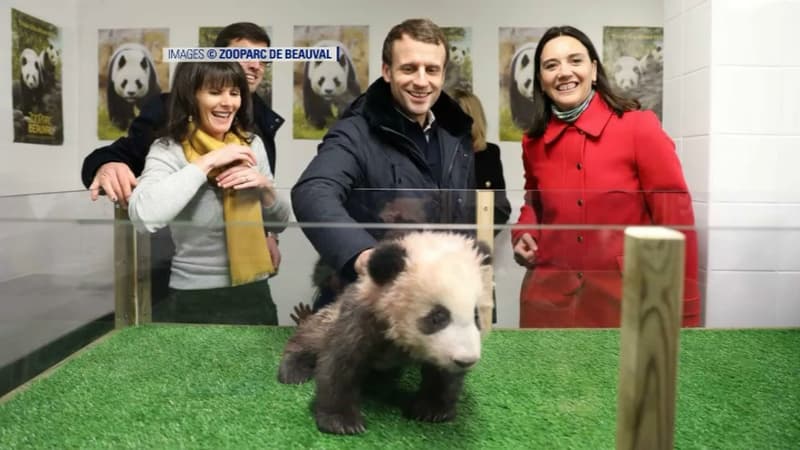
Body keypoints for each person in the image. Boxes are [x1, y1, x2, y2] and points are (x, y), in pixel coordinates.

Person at [81, 23, 284, 307]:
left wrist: (268, 232)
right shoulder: (168, 115)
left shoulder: (258, 123)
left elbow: (263, 191)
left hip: (251, 278)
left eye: (262, 60)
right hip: (177, 262)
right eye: (243, 56)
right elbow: (127, 153)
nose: (254, 66)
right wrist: (106, 164)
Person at [511, 25, 700, 328]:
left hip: (624, 303)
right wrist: (524, 231)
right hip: (546, 302)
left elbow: (676, 223)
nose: (564, 72)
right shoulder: (533, 141)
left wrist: (685, 311)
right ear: (540, 81)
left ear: (594, 70)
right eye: (551, 65)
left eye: (575, 60)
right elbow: (534, 201)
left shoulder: (639, 128)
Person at [292, 18, 476, 311]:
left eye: (431, 70)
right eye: (408, 68)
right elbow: (312, 191)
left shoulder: (456, 134)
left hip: (437, 304)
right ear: (387, 71)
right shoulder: (355, 130)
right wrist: (363, 254)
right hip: (369, 307)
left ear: (443, 74)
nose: (421, 81)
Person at [127, 61, 290, 325]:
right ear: (191, 97)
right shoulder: (168, 149)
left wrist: (265, 189)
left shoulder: (251, 144)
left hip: (254, 292)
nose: (228, 103)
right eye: (215, 92)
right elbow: (144, 216)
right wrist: (208, 162)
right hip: (194, 296)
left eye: (234, 93)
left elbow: (279, 223)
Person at [452, 89, 511, 325]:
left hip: (474, 256)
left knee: (479, 327)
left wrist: (476, 238)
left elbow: (500, 208)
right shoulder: (432, 155)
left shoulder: (489, 155)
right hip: (438, 254)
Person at [451, 89, 511, 231]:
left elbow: (501, 208)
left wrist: (480, 238)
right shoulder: (435, 153)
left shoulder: (490, 153)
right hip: (439, 243)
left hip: (477, 243)